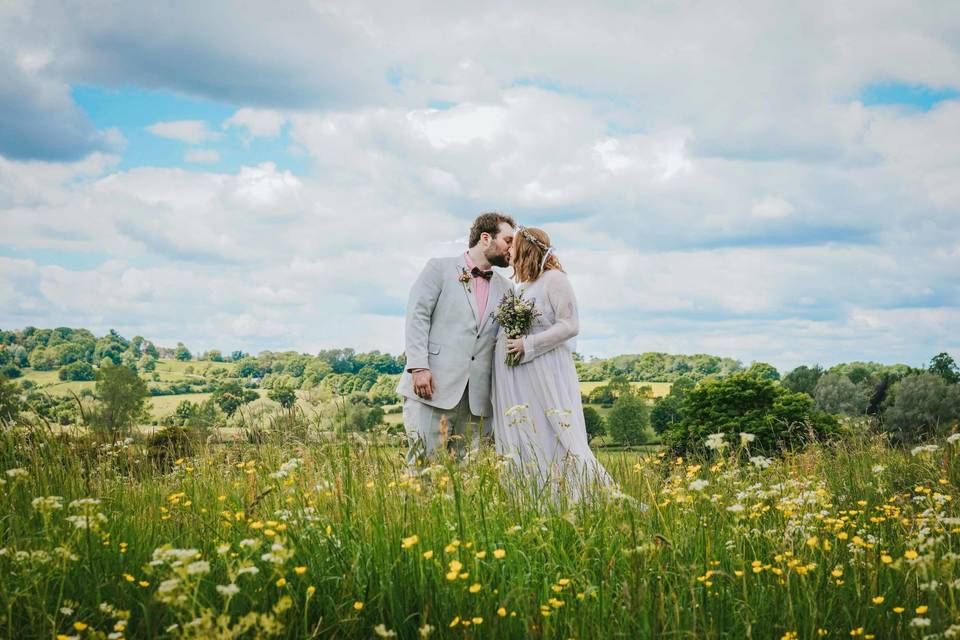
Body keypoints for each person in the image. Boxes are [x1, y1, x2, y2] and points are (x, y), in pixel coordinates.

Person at [491, 225, 615, 502]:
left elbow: (570, 325)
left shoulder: (554, 279)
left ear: (525, 248)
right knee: (528, 431)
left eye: (513, 244)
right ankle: (533, 494)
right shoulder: (521, 286)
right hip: (522, 376)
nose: (508, 250)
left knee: (553, 432)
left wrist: (528, 345)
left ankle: (570, 496)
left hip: (547, 371)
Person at [396, 212, 515, 470]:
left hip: (478, 399)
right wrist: (419, 367)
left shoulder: (507, 289)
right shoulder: (439, 268)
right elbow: (417, 317)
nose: (512, 248)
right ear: (486, 238)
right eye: (508, 240)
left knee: (468, 474)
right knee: (424, 468)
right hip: (432, 387)